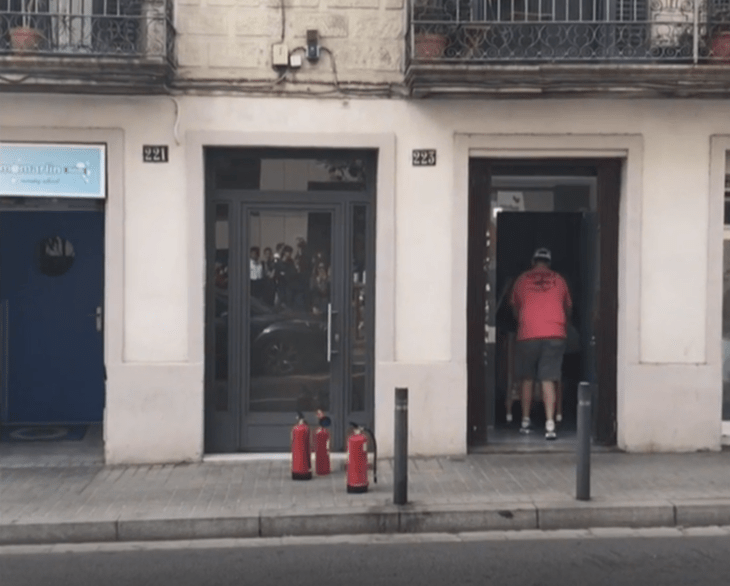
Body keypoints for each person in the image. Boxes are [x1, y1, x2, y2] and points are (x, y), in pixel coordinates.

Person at [510, 247, 572, 440]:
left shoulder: (521, 280)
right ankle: (550, 425)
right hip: (555, 333)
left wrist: (523, 321)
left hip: (528, 333)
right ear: (549, 263)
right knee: (548, 378)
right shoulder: (559, 280)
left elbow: (514, 306)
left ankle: (525, 421)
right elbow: (568, 307)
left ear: (533, 262)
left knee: (527, 378)